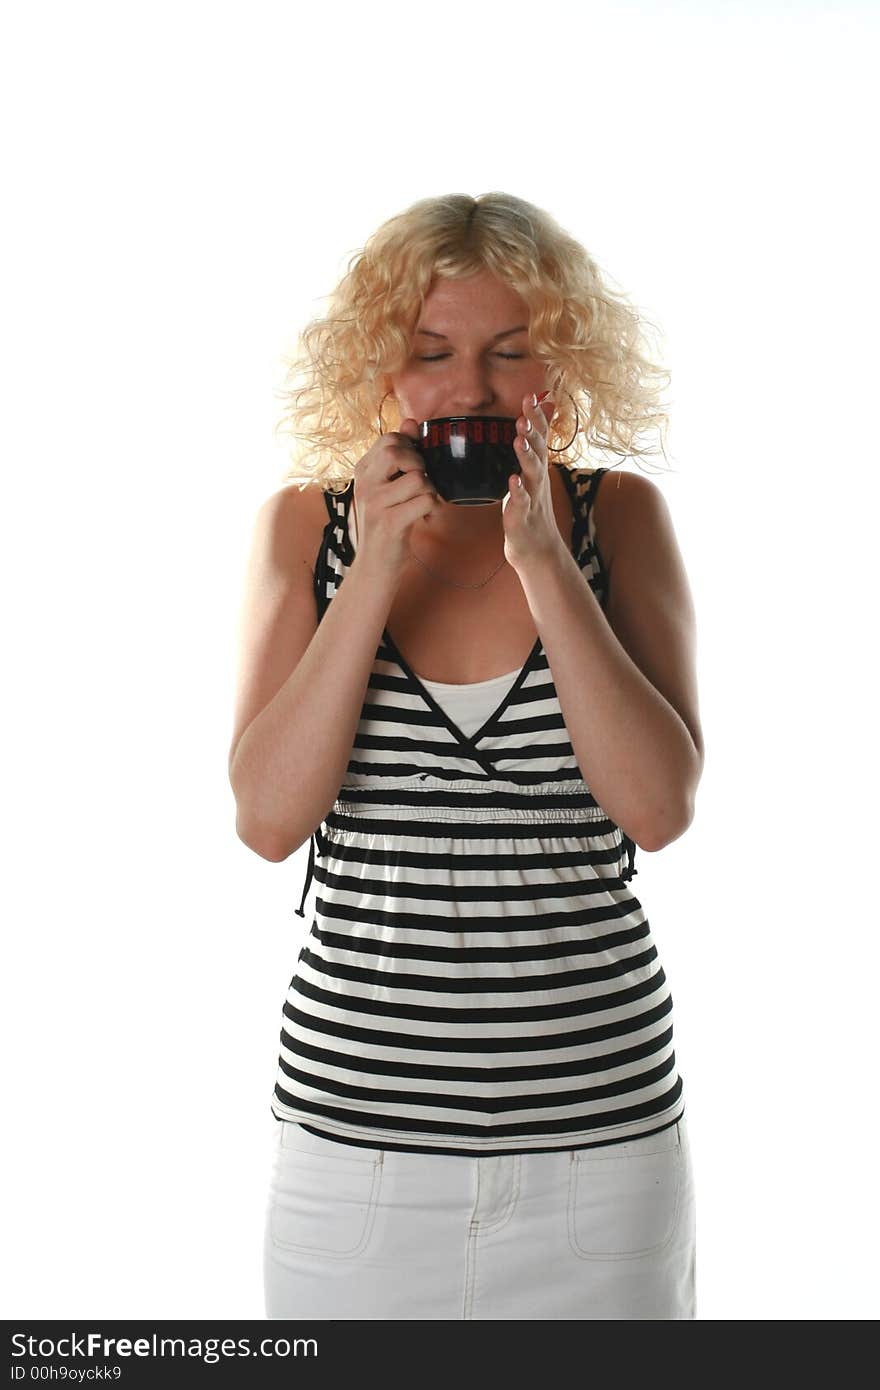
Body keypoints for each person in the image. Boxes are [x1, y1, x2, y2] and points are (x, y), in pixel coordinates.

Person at [228, 192, 704, 1320]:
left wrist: (544, 563)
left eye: (511, 352)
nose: (474, 391)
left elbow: (656, 806)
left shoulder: (618, 518)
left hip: (600, 1151)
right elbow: (265, 817)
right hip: (358, 1156)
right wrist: (374, 573)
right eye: (432, 352)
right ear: (379, 369)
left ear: (563, 364)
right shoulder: (306, 527)